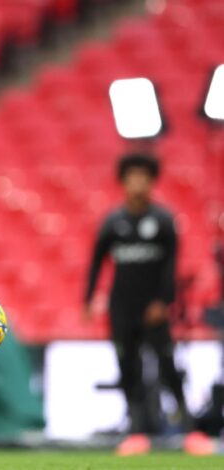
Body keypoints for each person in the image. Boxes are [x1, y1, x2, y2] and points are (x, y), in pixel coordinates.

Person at [84, 153, 214, 455]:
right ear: (124, 181)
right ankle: (137, 432)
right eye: (133, 176)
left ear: (151, 181)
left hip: (154, 309)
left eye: (143, 176)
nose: (138, 182)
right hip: (121, 308)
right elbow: (95, 263)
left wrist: (163, 301)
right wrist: (88, 299)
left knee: (169, 369)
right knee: (129, 369)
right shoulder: (113, 223)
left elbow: (171, 266)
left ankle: (191, 432)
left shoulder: (163, 221)